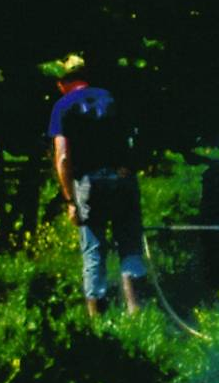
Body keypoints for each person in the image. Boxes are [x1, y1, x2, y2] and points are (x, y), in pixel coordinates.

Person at [44, 55, 148, 318]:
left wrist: (69, 200)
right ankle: (137, 313)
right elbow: (134, 139)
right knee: (130, 246)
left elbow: (63, 157)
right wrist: (126, 167)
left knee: (94, 251)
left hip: (89, 183)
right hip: (122, 180)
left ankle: (99, 325)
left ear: (63, 82)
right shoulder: (111, 98)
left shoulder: (63, 106)